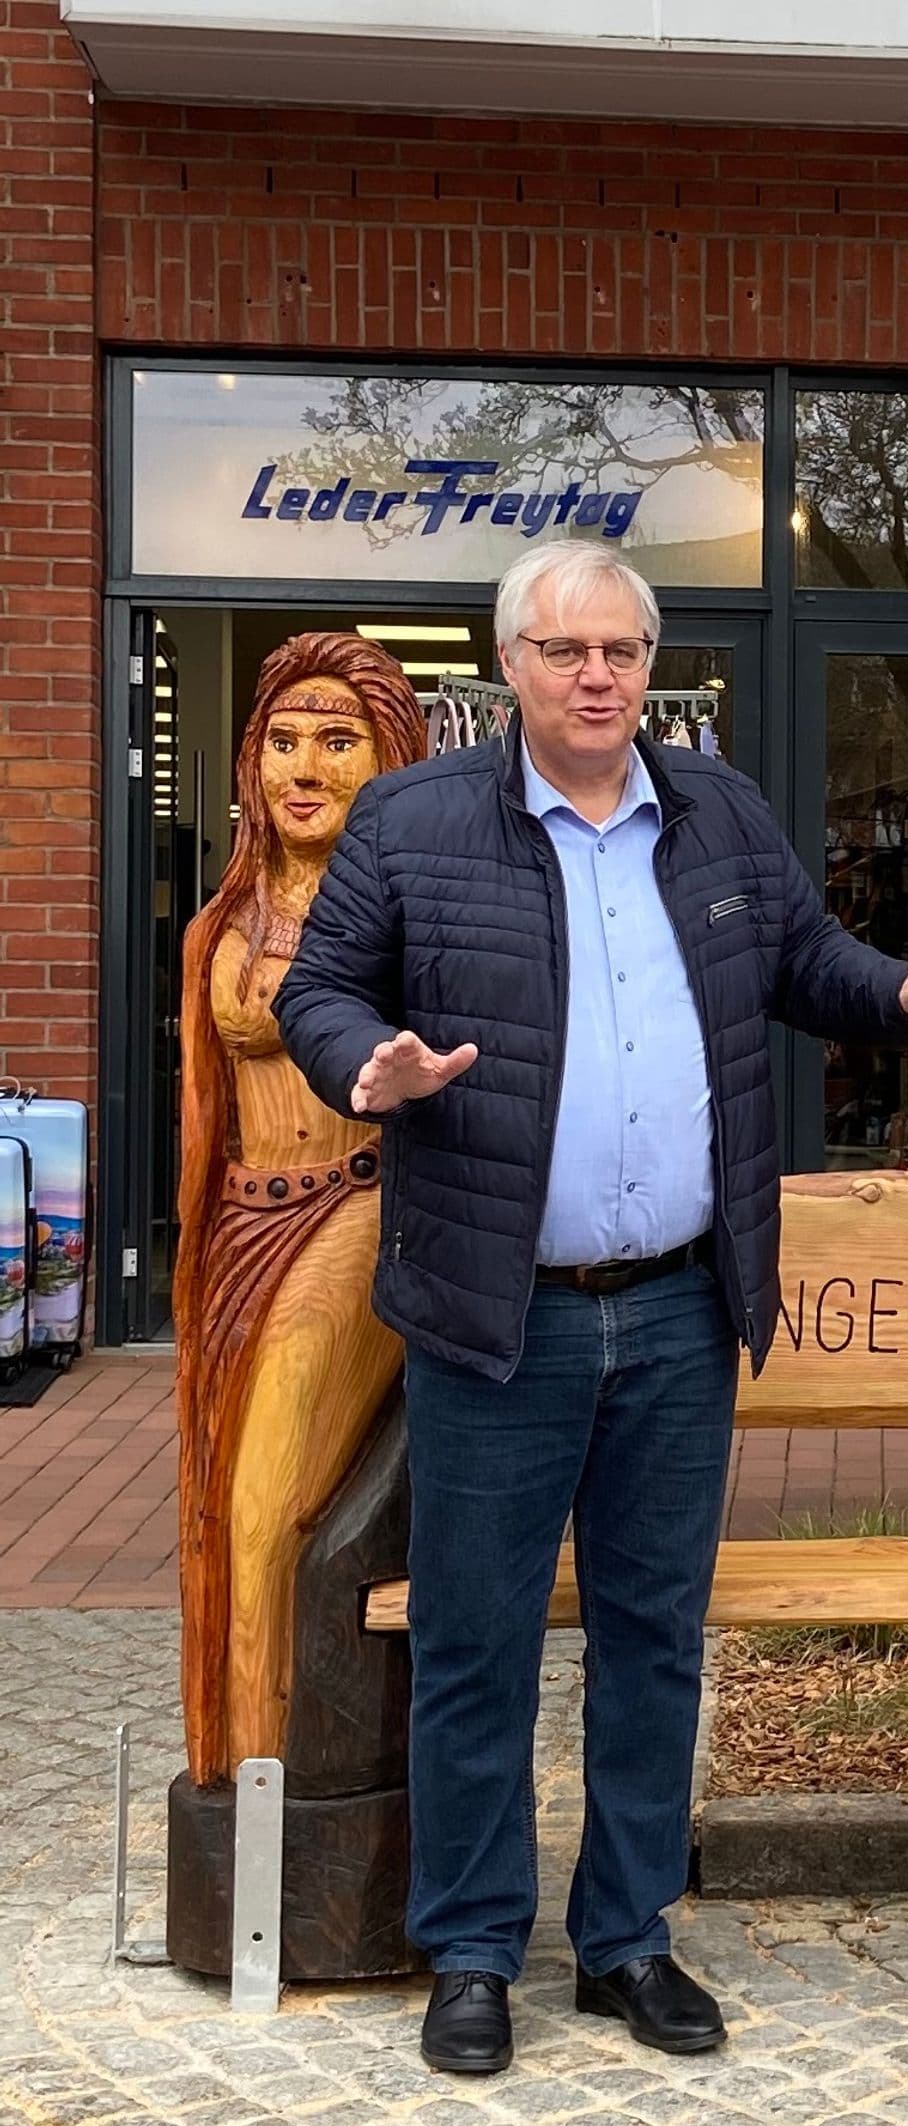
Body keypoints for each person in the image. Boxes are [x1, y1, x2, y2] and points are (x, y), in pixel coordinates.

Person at [275, 543, 908, 2080]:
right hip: (501, 1311)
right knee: (479, 1642)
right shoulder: (415, 823)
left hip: (681, 1306)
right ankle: (475, 1949)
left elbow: (803, 962)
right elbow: (318, 985)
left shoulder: (716, 811)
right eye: (564, 652)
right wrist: (371, 1065)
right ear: (510, 669)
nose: (598, 676)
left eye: (621, 649)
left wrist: (903, 995)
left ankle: (624, 1938)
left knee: (652, 1636)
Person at [175, 629, 428, 1789]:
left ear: (391, 761)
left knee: (272, 1497)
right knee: (220, 1509)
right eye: (282, 739)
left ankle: (277, 1803)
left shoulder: (406, 913)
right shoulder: (215, 927)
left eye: (339, 740)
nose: (304, 765)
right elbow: (203, 1114)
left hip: (356, 1209)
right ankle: (227, 1772)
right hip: (235, 1231)